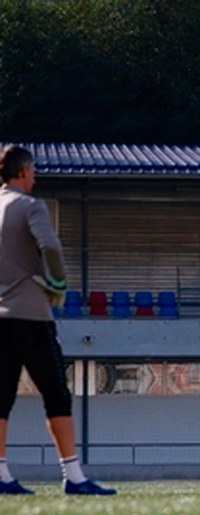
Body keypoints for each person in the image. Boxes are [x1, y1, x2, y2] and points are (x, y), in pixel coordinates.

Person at [0, 145, 116, 495]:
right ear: (23, 172)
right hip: (31, 316)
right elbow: (50, 246)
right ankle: (74, 476)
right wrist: (59, 282)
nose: (35, 176)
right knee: (57, 395)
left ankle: (1, 474)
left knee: (1, 398)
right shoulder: (30, 205)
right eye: (33, 170)